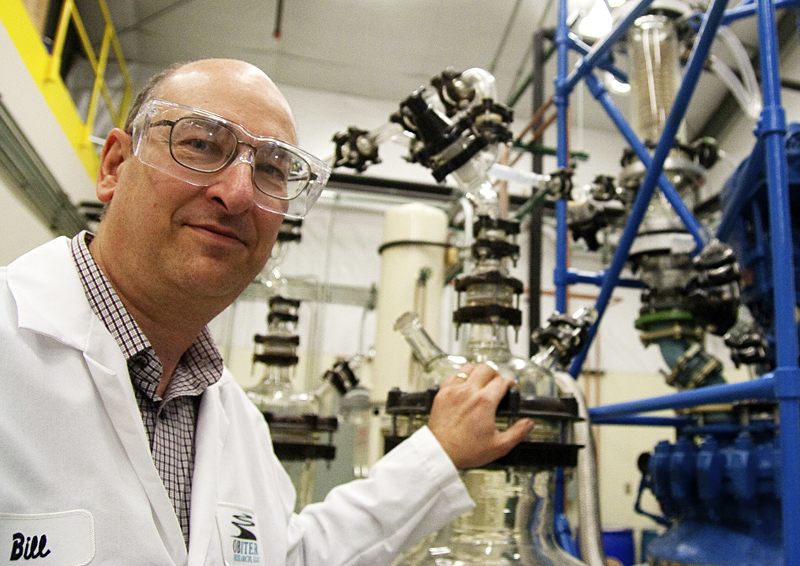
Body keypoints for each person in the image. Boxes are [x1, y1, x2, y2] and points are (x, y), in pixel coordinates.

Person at [0, 59, 534, 565]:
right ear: (115, 166)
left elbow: (291, 557)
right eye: (202, 144)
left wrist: (439, 454)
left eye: (273, 170)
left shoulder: (237, 420)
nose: (237, 193)